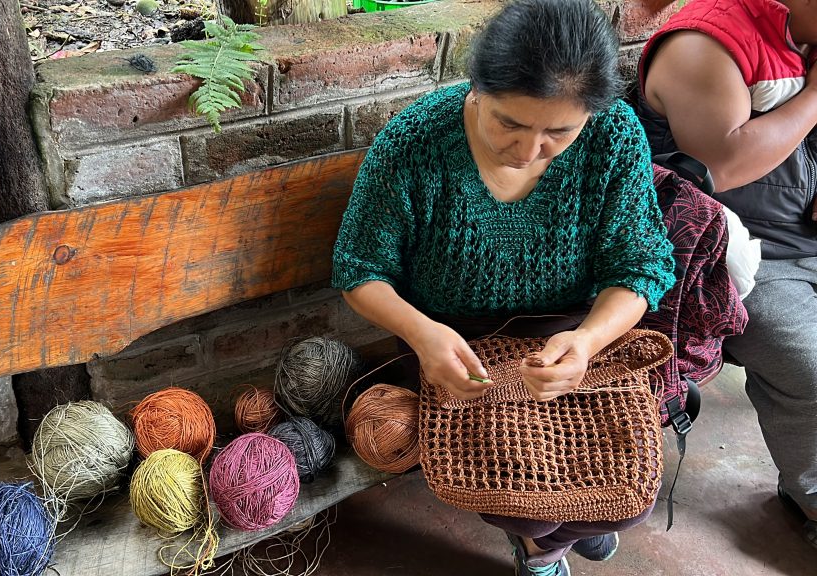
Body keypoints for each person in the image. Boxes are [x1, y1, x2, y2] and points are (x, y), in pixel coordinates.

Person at [331, 0, 676, 574]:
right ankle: (546, 546)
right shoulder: (416, 143)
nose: (527, 151)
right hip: (455, 344)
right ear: (476, 88)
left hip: (566, 332)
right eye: (509, 123)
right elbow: (359, 269)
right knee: (520, 495)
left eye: (559, 131)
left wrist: (588, 342)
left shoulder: (613, 135)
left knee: (624, 482)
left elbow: (639, 269)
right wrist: (422, 334)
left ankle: (569, 529)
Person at [636, 0, 817, 550]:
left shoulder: (801, 35)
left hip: (801, 228)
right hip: (738, 258)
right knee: (810, 367)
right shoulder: (706, 44)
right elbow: (725, 162)